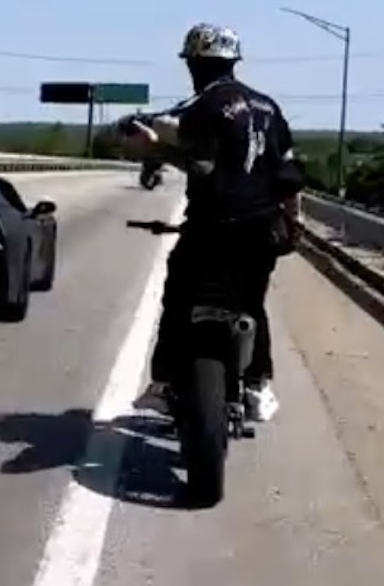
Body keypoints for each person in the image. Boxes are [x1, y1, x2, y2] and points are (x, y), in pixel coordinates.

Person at [118, 22, 305, 423]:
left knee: (180, 293)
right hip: (262, 227)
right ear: (233, 61)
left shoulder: (203, 104)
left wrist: (149, 139)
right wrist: (294, 221)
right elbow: (288, 174)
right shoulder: (269, 107)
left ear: (194, 64)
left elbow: (185, 146)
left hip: (214, 225)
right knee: (252, 301)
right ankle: (258, 385)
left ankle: (165, 383)